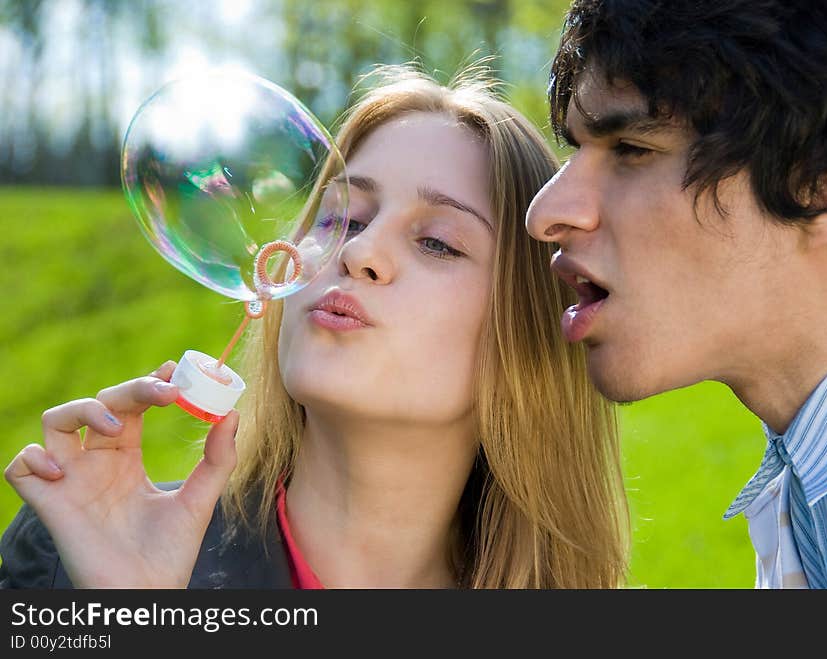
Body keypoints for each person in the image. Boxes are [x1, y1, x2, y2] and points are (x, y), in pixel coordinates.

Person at [0, 63, 629, 589]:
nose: (356, 254)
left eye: (437, 243)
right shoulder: (72, 555)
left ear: (523, 333)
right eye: (346, 220)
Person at [526, 0, 827, 588]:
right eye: (574, 152)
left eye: (632, 150)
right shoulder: (811, 494)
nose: (545, 214)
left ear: (822, 191)